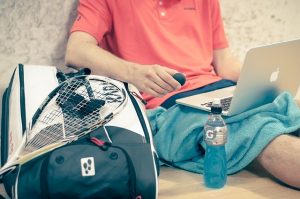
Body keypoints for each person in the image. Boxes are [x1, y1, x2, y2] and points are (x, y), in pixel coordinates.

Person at [65, 0, 300, 188]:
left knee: (288, 107)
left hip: (219, 88)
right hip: (169, 105)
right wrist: (134, 72)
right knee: (260, 131)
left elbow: (224, 62)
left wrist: (264, 81)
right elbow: (76, 51)